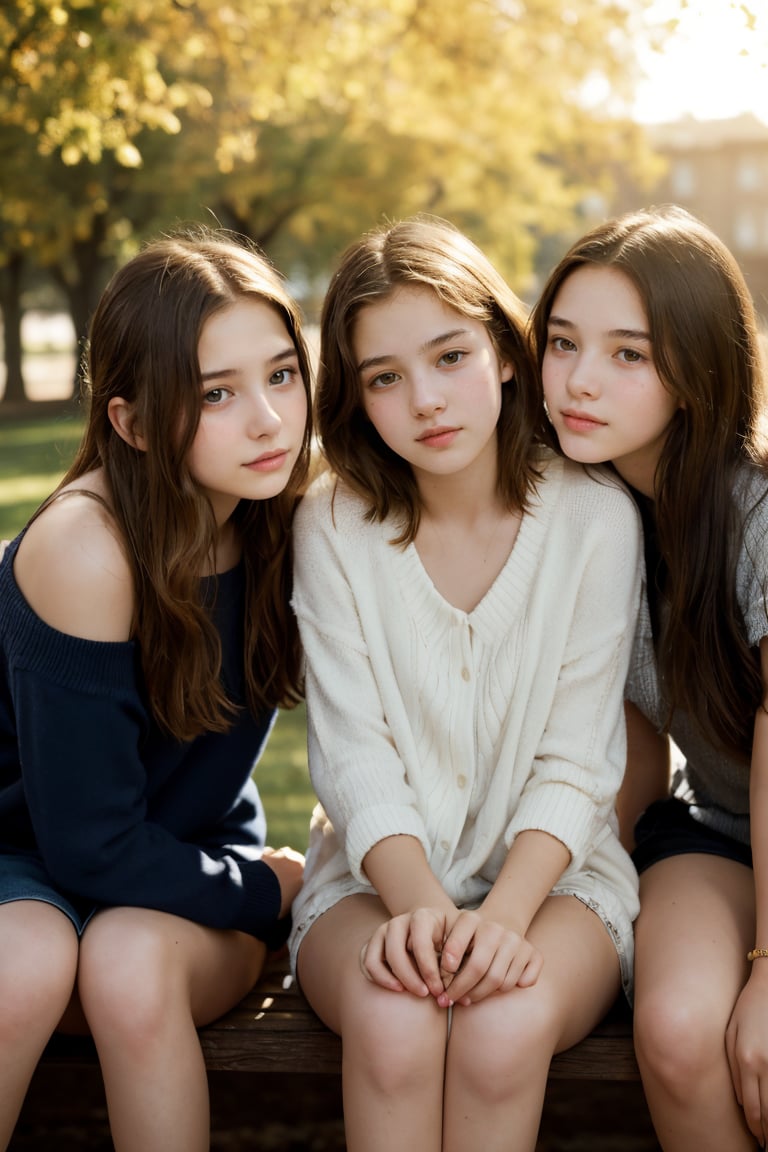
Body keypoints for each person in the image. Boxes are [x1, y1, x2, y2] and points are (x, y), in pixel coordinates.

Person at [287, 215, 642, 1152]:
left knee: (498, 1029)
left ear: (506, 351)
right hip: (374, 880)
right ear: (357, 398)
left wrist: (506, 920)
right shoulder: (331, 526)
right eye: (385, 378)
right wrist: (430, 917)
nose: (426, 401)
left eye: (451, 357)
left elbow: (578, 761)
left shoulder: (594, 519)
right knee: (399, 1026)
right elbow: (354, 757)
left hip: (555, 884)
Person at [0, 228, 311, 1152]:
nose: (268, 420)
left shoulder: (292, 517)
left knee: (129, 972)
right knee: (27, 968)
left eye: (283, 375)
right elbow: (87, 844)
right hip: (23, 856)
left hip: (176, 865)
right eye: (216, 394)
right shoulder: (86, 548)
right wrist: (265, 891)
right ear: (130, 422)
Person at [530, 204, 768, 1151]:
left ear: (700, 368)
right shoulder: (594, 516)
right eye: (562, 342)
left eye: (630, 354)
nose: (580, 381)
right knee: (674, 1033)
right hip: (714, 829)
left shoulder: (754, 521)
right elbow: (628, 743)